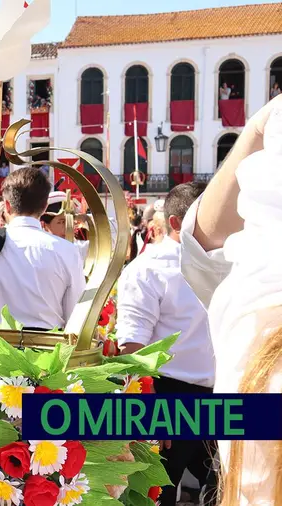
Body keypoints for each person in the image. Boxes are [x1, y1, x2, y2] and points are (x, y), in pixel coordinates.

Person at [179, 95, 281, 505]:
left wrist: (259, 127)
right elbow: (204, 253)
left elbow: (204, 253)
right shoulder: (255, 295)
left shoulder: (254, 298)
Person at [115, 182, 216, 506]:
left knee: (222, 492)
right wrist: (150, 415)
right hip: (169, 396)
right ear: (175, 223)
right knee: (161, 494)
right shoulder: (148, 269)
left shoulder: (229, 264)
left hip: (222, 395)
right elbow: (131, 348)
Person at [0, 167, 84, 329]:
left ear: (7, 206)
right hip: (49, 350)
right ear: (45, 207)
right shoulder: (67, 251)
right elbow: (75, 315)